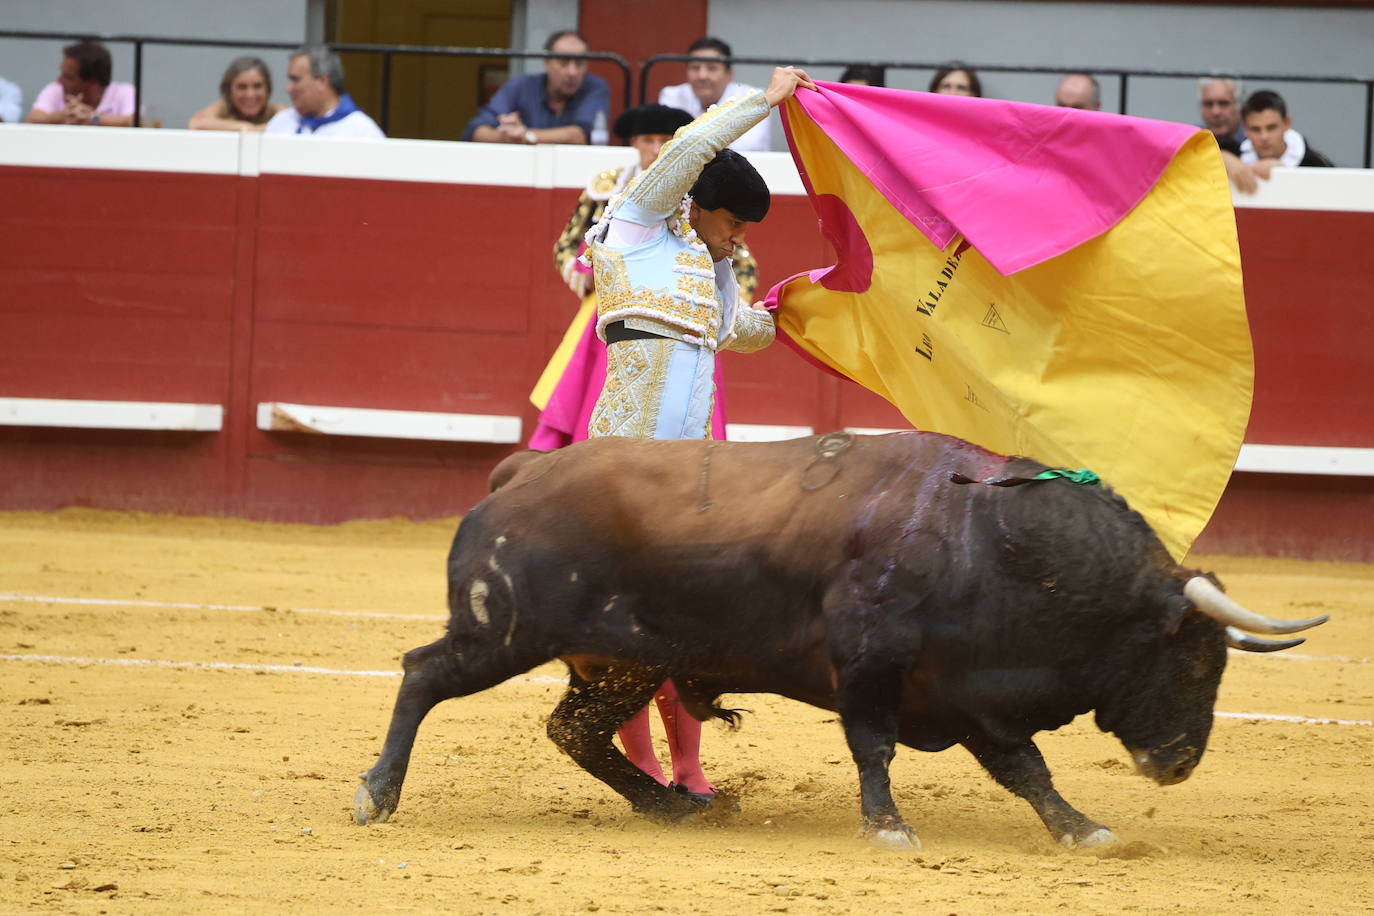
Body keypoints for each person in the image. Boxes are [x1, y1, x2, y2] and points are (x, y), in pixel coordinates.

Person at [581, 66, 816, 797]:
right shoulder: (640, 223)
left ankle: (688, 766)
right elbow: (688, 148)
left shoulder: (700, 261)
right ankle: (647, 765)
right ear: (700, 204)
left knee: (684, 621)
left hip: (686, 472)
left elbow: (739, 332)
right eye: (735, 223)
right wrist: (761, 103)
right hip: (623, 466)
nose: (738, 238)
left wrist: (802, 313)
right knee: (625, 626)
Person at [531, 102, 759, 449]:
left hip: (687, 311)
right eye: (648, 140)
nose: (655, 149)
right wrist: (586, 271)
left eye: (663, 140)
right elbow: (569, 243)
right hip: (617, 306)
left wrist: (720, 308)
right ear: (634, 143)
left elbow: (738, 261)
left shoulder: (699, 199)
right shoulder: (607, 187)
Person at [462, 30, 609, 145]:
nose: (572, 72)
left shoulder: (595, 87)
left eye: (580, 63)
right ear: (546, 62)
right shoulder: (521, 86)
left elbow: (579, 136)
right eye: (563, 62)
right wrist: (506, 136)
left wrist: (526, 136)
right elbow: (476, 131)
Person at [658, 37, 770, 152]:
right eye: (695, 68)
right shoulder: (672, 96)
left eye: (712, 68)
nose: (702, 75)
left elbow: (749, 147)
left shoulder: (752, 97)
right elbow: (664, 144)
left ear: (729, 74)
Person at [264, 46, 383, 138]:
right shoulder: (281, 122)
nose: (288, 88)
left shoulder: (362, 132)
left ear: (322, 81)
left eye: (296, 80)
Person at [26, 40, 135, 127]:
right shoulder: (56, 89)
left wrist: (93, 118)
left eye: (69, 77)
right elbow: (31, 119)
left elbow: (135, 122)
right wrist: (61, 116)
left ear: (93, 81)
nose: (59, 80)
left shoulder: (124, 92)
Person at [1240, 89, 1334, 170]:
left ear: (1287, 123)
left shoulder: (1317, 166)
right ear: (1245, 128)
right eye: (1255, 129)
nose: (1264, 137)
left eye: (1272, 128)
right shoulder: (1234, 157)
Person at [189, 56, 285, 131]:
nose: (250, 95)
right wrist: (244, 127)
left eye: (257, 86)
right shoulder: (221, 109)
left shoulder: (276, 111)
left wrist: (254, 130)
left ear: (267, 89)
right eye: (242, 87)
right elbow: (196, 124)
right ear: (229, 90)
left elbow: (291, 125)